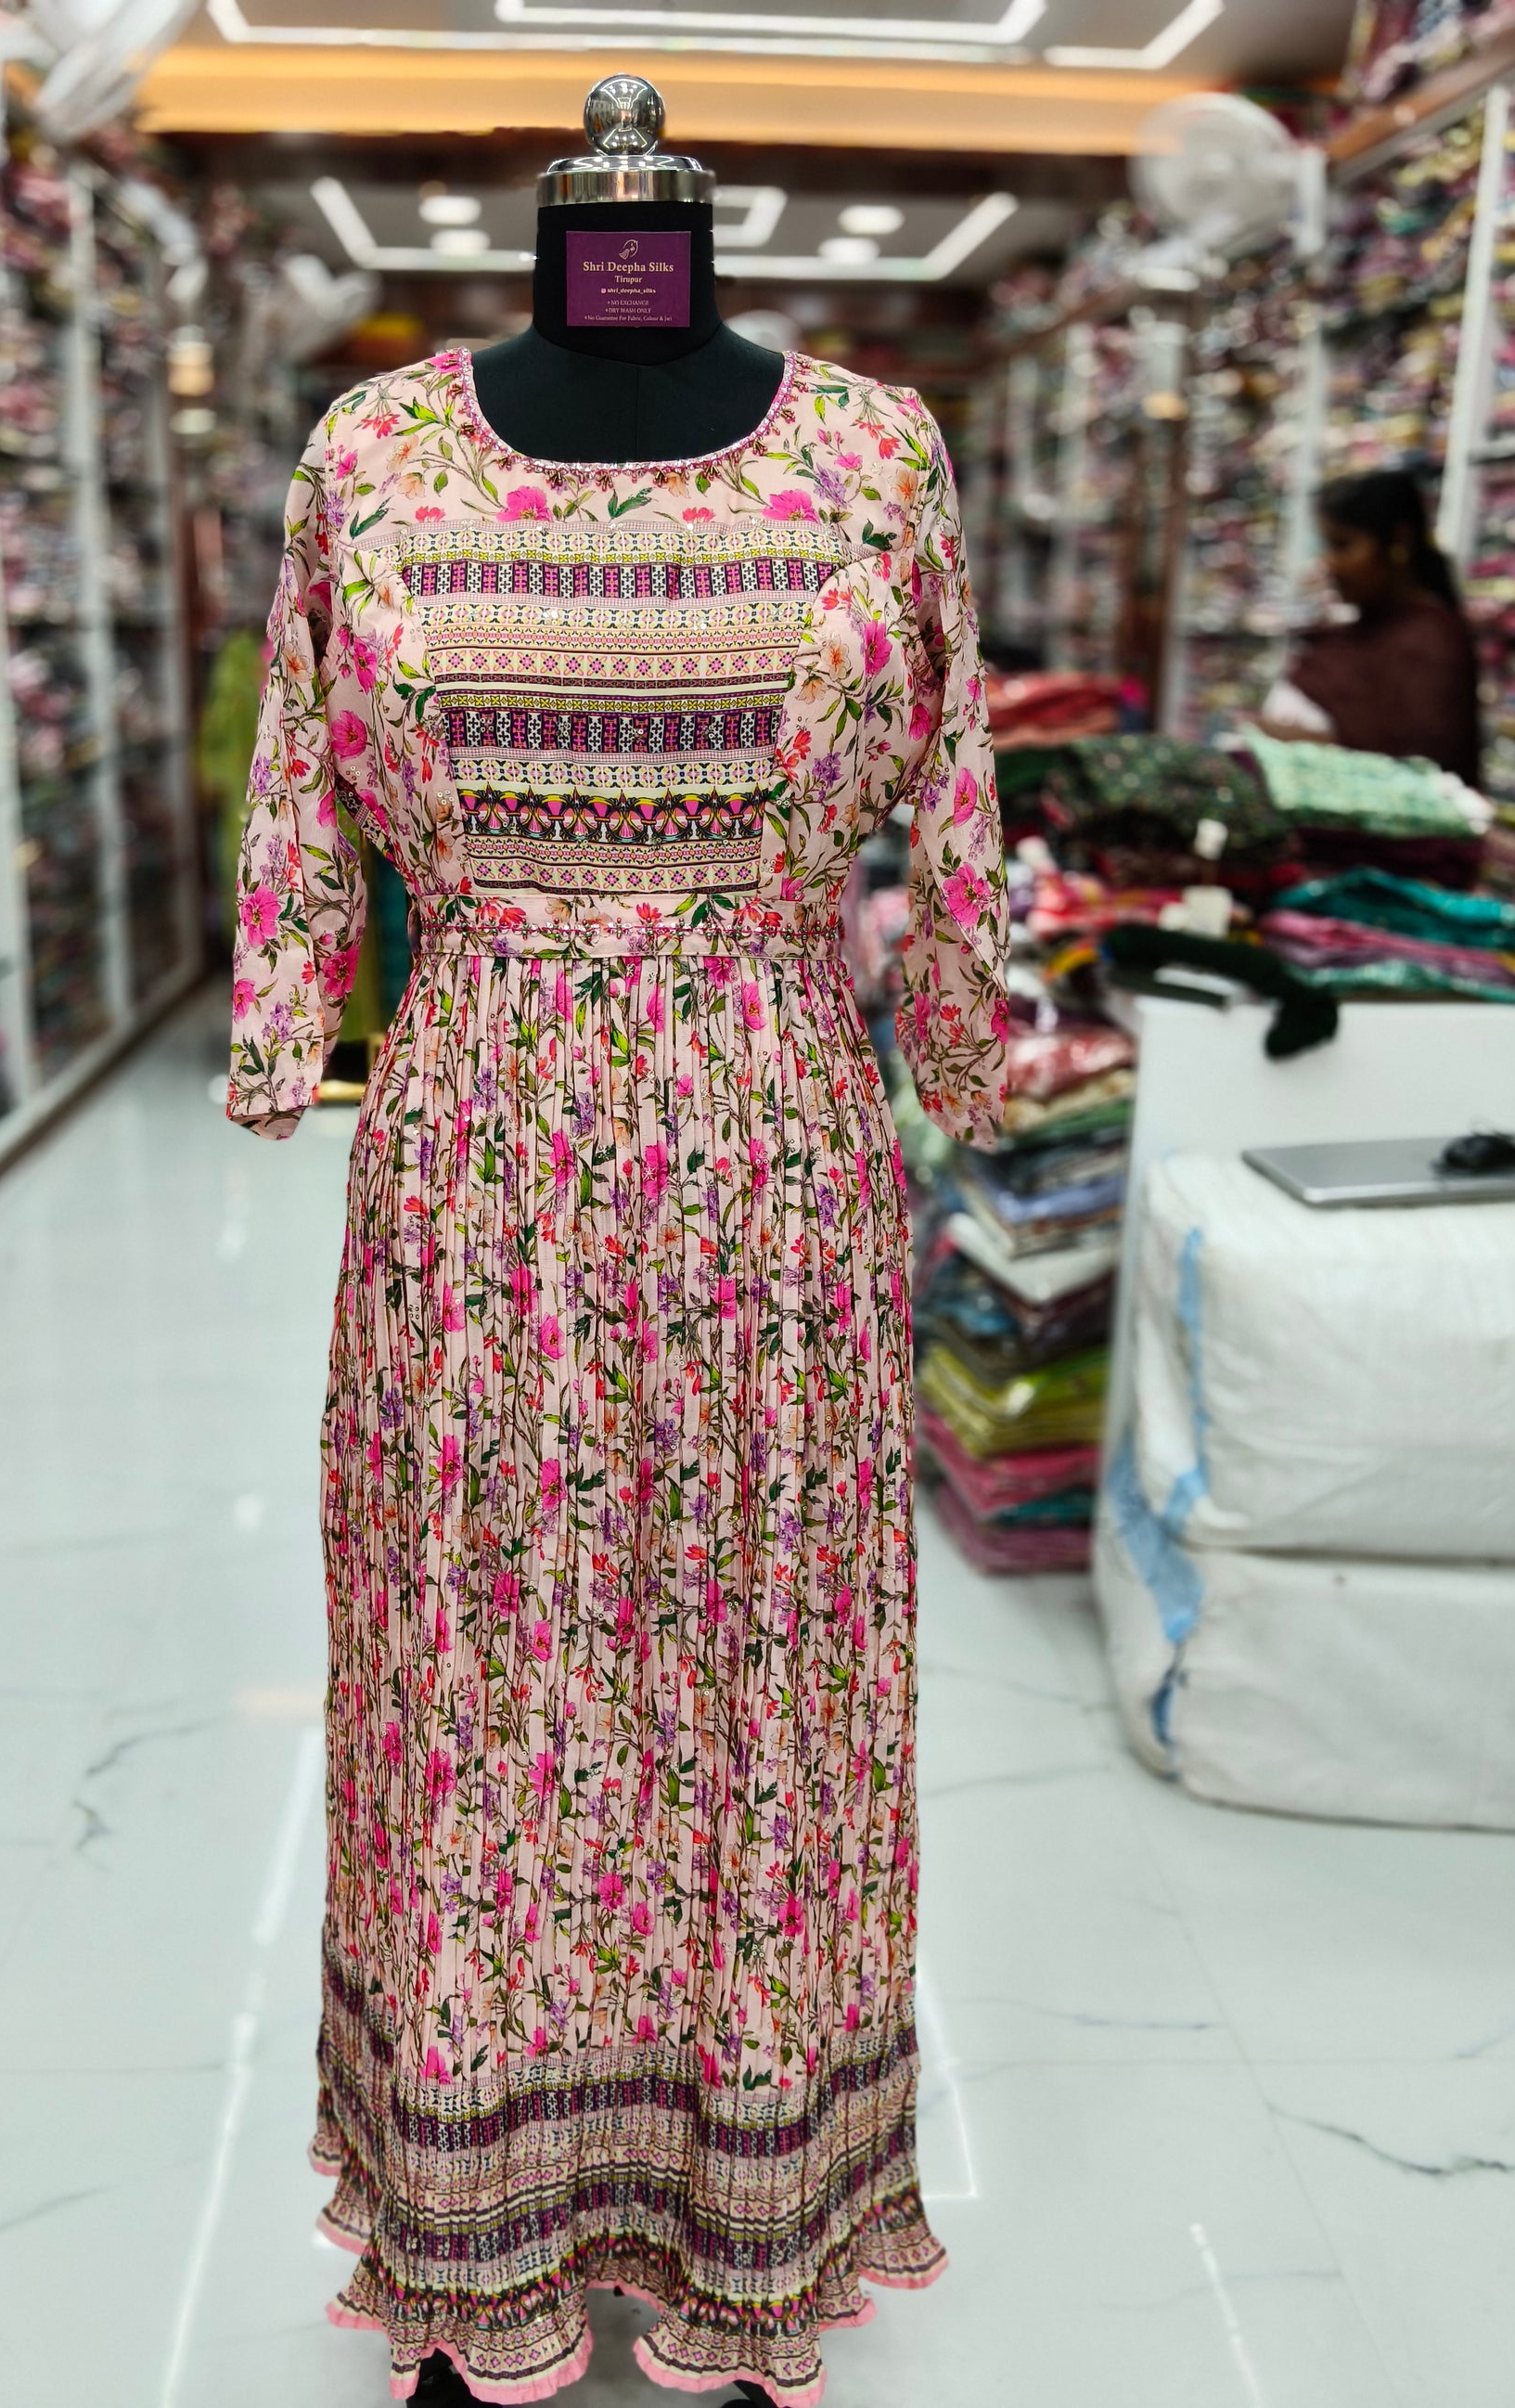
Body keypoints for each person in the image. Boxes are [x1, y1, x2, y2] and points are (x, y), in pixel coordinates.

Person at [225, 135, 1007, 2402]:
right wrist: (288, 1010)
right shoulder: (369, 453)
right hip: (477, 1156)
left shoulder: (878, 452)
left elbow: (956, 776)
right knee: (478, 1674)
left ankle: (749, 2207)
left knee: (767, 1672)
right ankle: (481, 2211)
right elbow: (296, 768)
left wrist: (959, 1022)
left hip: (775, 1155)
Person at [1261, 469, 1483, 783]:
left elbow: (1417, 766)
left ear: (1399, 541)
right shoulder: (1355, 630)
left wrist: (1305, 741)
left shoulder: (1430, 641)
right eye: (1326, 547)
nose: (1328, 562)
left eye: (1343, 545)